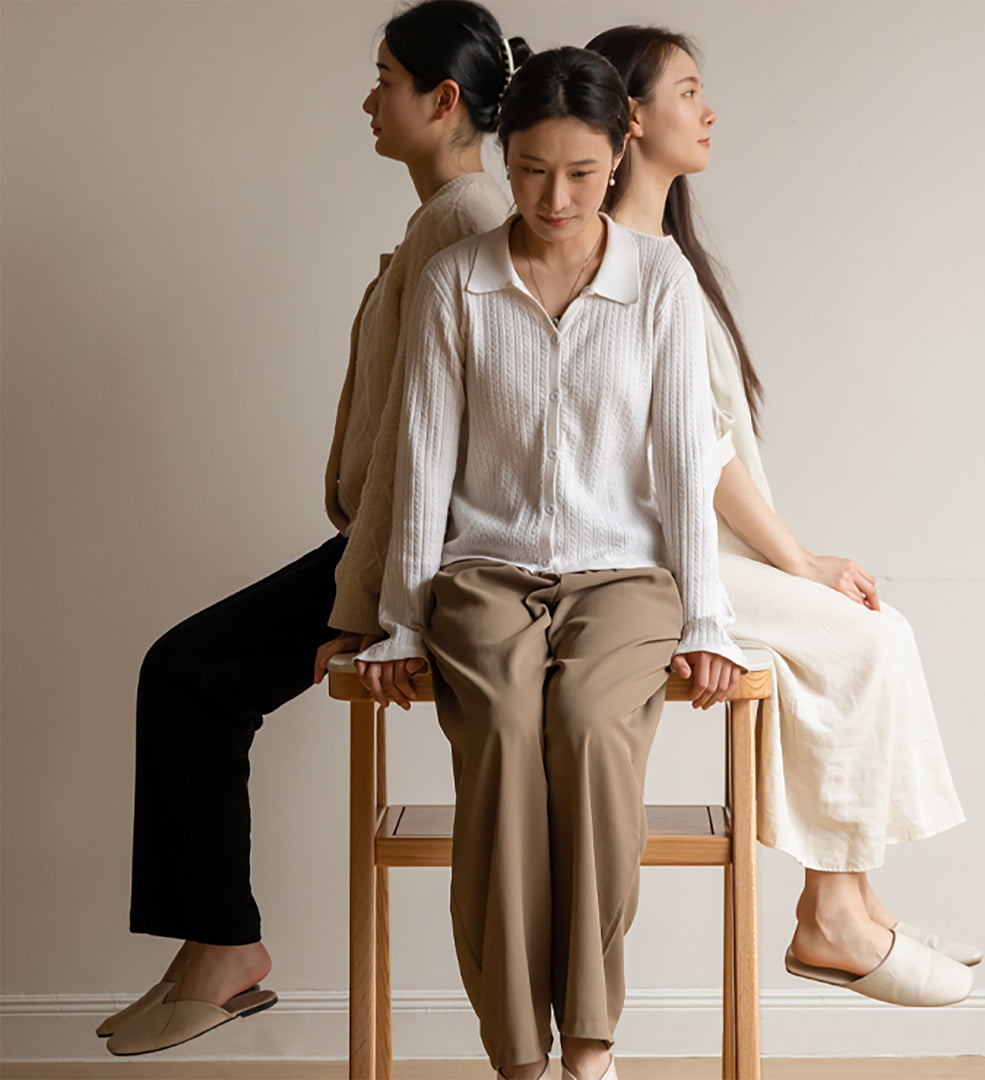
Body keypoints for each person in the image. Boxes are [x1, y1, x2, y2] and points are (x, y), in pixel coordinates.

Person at [101, 0, 528, 1056]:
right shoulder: (445, 219)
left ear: (442, 100)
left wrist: (377, 608)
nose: (367, 97)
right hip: (385, 542)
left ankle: (223, 950)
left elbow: (453, 439)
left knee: (192, 672)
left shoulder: (462, 222)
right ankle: (216, 946)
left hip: (414, 553)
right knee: (194, 673)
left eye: (384, 77)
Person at [355, 44, 746, 1080]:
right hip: (484, 575)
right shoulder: (453, 282)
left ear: (619, 154)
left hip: (625, 579)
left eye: (580, 171)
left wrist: (706, 620)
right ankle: (520, 1057)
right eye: (530, 169)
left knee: (584, 727)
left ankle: (590, 1044)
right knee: (506, 734)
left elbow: (681, 461)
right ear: (506, 154)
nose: (555, 195)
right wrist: (401, 621)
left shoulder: (658, 279)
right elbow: (422, 466)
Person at [587, 25, 978, 1007]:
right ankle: (833, 913)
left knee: (867, 629)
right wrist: (798, 562)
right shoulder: (623, 261)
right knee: (869, 640)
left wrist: (797, 558)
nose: (708, 109)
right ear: (631, 118)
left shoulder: (665, 254)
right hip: (655, 564)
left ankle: (849, 901)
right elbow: (694, 451)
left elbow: (713, 444)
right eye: (686, 90)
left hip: (698, 549)